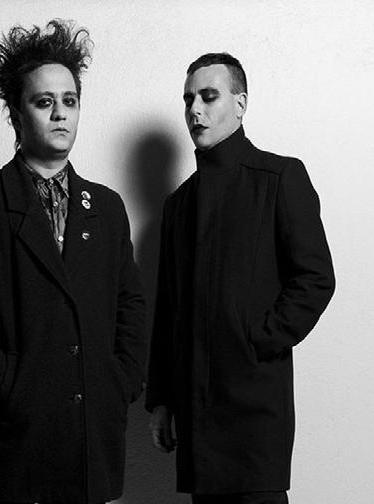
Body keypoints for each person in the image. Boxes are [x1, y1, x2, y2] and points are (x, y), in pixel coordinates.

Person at [0, 20, 146, 504]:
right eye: (43, 101)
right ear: (16, 114)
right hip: (16, 435)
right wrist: (6, 383)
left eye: (70, 100)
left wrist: (121, 381)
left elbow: (130, 304)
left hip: (91, 432)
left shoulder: (107, 206)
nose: (60, 113)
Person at [146, 53, 335, 504]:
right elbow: (168, 307)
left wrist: (257, 340)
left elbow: (315, 278)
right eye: (188, 99)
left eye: (209, 96)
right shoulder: (178, 205)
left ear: (240, 103)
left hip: (255, 407)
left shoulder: (280, 177)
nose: (195, 110)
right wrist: (162, 399)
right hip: (195, 410)